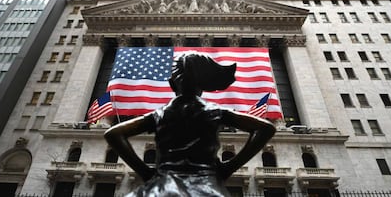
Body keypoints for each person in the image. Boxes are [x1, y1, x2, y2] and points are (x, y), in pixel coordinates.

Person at [104, 54, 276, 196]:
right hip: (206, 185)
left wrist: (146, 173)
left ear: (173, 83)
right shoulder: (215, 111)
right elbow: (266, 128)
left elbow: (113, 134)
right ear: (203, 83)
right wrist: (228, 168)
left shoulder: (160, 114)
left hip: (162, 185)